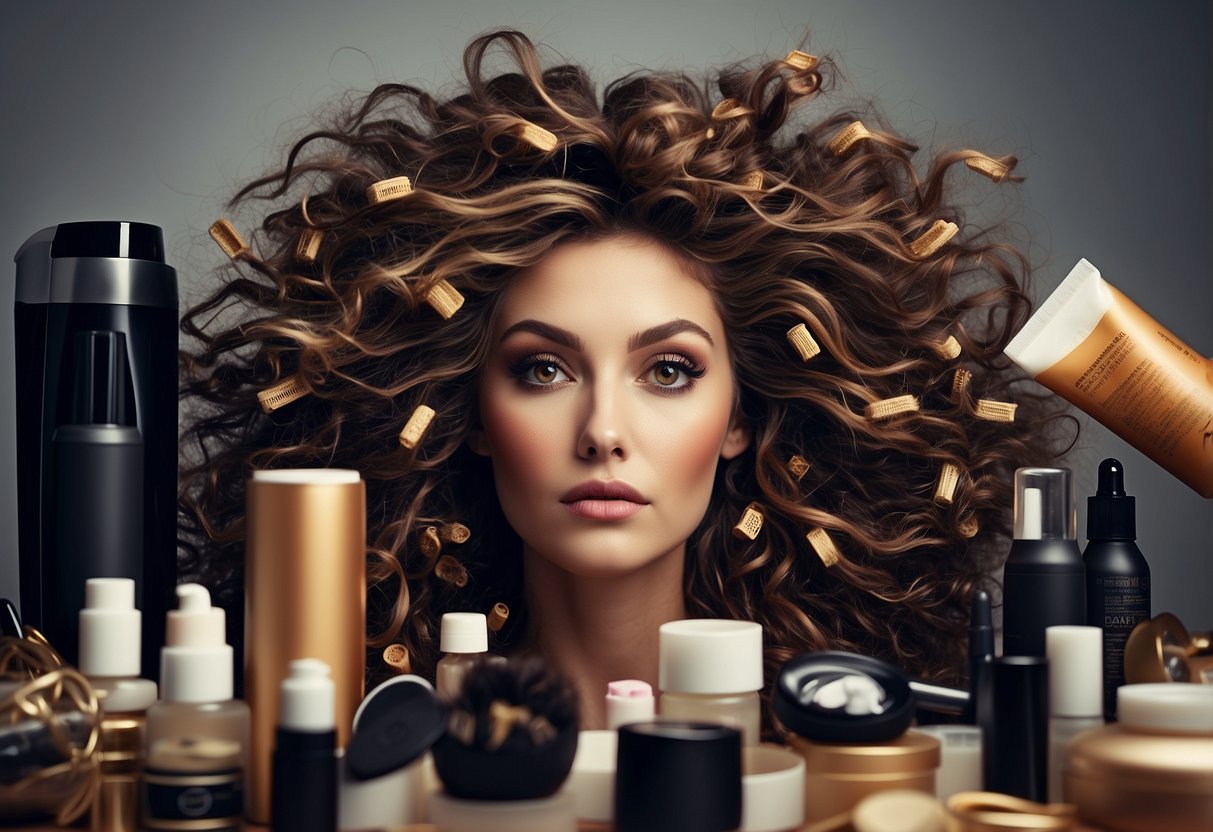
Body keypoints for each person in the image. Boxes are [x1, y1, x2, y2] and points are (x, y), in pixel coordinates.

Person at [178, 29, 1068, 730]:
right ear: (474, 412)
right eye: (543, 369)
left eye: (669, 371)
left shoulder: (830, 748)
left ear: (739, 420)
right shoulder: (385, 737)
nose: (602, 428)